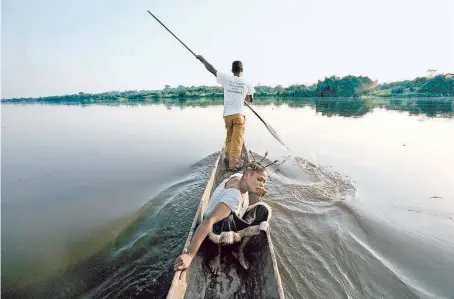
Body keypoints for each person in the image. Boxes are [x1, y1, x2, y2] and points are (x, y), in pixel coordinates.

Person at [173, 161, 272, 277]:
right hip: (213, 232)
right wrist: (189, 254)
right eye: (259, 179)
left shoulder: (238, 177)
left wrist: (258, 194)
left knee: (263, 210)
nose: (262, 185)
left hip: (225, 219)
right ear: (246, 175)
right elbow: (208, 222)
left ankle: (238, 250)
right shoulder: (234, 197)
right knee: (227, 219)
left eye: (264, 181)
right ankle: (217, 255)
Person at [195, 55, 256, 170]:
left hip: (227, 116)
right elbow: (250, 100)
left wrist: (202, 59)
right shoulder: (247, 83)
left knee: (229, 138)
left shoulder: (226, 78)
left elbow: (211, 69)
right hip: (238, 115)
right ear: (242, 71)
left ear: (232, 70)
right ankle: (233, 166)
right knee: (237, 141)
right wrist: (242, 96)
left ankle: (228, 158)